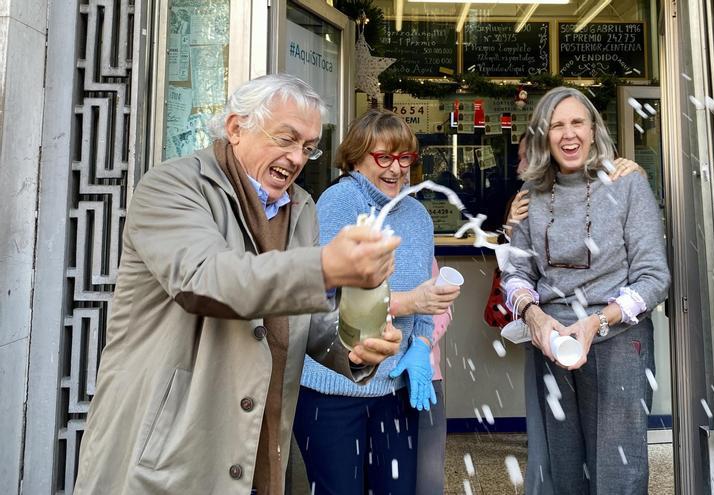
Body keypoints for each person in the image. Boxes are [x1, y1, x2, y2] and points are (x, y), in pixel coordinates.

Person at [73, 74, 403, 495]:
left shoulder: (301, 208)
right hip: (167, 453)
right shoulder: (172, 185)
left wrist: (356, 347)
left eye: (307, 147)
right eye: (286, 138)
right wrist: (325, 267)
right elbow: (208, 280)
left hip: (258, 450)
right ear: (235, 128)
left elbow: (303, 320)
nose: (297, 157)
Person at [503, 86, 670, 495]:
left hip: (619, 341)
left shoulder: (627, 185)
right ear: (544, 135)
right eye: (557, 125)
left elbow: (654, 278)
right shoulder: (531, 196)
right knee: (562, 470)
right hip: (552, 345)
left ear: (594, 130)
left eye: (577, 122)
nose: (568, 134)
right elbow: (516, 274)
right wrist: (534, 316)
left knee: (619, 469)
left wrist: (597, 320)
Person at [294, 109, 459, 494]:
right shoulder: (338, 202)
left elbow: (425, 297)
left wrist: (420, 344)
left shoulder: (418, 215)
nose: (395, 169)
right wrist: (409, 302)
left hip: (394, 389)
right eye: (383, 157)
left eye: (404, 158)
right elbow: (326, 297)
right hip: (333, 389)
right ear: (355, 157)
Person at [415, 258, 456, 494]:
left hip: (426, 379)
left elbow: (443, 309)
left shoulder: (419, 234)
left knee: (427, 479)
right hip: (371, 381)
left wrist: (422, 343)